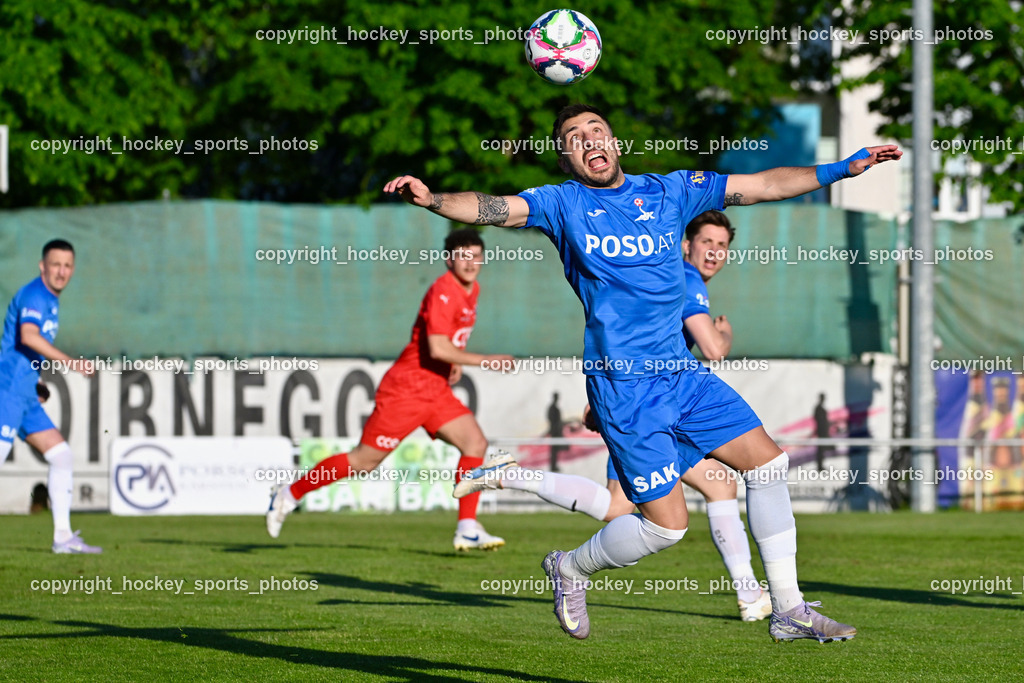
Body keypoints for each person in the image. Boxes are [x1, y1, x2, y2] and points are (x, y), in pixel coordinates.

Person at [385, 103, 900, 642]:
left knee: (768, 465)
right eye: (574, 138)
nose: (589, 141)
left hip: (682, 376)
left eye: (597, 131)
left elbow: (764, 183)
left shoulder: (671, 189)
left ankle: (788, 608)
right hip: (625, 389)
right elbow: (493, 207)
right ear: (565, 156)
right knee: (666, 527)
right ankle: (571, 568)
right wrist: (434, 199)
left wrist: (841, 168)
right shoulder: (561, 203)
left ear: (615, 140)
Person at [455, 210, 773, 621]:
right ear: (684, 244)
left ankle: (512, 475)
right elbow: (712, 349)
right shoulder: (684, 279)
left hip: (638, 403)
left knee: (620, 507)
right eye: (706, 242)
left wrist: (606, 394)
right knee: (714, 489)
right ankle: (750, 596)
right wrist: (724, 333)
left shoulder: (661, 280)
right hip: (648, 411)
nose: (714, 252)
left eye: (722, 245)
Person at [266, 228, 515, 550]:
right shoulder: (444, 290)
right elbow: (437, 348)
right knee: (363, 461)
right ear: (449, 259)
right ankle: (288, 494)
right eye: (462, 256)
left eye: (475, 256)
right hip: (406, 390)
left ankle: (467, 527)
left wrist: (454, 362)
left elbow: (446, 343)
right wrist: (484, 360)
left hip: (435, 390)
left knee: (475, 443)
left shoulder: (472, 289)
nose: (470, 263)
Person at [0, 239, 101, 554]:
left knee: (61, 455)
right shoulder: (35, 295)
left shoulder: (51, 301)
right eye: (55, 264)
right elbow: (28, 336)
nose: (62, 271)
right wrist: (71, 363)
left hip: (26, 394)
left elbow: (27, 348)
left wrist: (38, 380)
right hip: (6, 391)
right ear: (42, 266)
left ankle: (62, 537)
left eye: (67, 265)